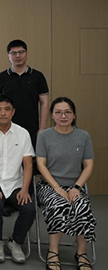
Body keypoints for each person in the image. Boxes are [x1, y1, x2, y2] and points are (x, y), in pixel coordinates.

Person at [36, 97, 95, 270]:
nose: (63, 116)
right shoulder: (44, 136)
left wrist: (76, 187)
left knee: (82, 207)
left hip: (75, 186)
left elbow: (88, 165)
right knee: (59, 205)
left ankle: (81, 253)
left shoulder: (83, 136)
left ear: (74, 115)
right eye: (58, 112)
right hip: (49, 185)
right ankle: (53, 251)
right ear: (52, 115)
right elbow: (40, 164)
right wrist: (56, 188)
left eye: (67, 112)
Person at [0, 95, 36, 264]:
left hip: (15, 183)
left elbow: (28, 164)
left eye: (7, 109)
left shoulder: (22, 133)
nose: (3, 113)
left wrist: (25, 189)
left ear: (13, 112)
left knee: (29, 208)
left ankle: (15, 242)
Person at [0, 39, 49, 147]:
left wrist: (42, 128)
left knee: (29, 156)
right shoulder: (1, 77)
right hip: (6, 128)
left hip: (31, 128)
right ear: (8, 56)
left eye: (21, 52)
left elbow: (44, 103)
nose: (18, 55)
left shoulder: (38, 76)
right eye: (13, 53)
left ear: (27, 54)